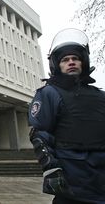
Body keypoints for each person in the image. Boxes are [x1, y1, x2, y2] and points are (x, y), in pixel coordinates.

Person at [28, 28, 105, 204]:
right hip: (72, 181)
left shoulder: (101, 96)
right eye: (65, 60)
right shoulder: (49, 93)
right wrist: (51, 168)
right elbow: (40, 134)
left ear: (83, 62)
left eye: (75, 58)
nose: (71, 62)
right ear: (57, 65)